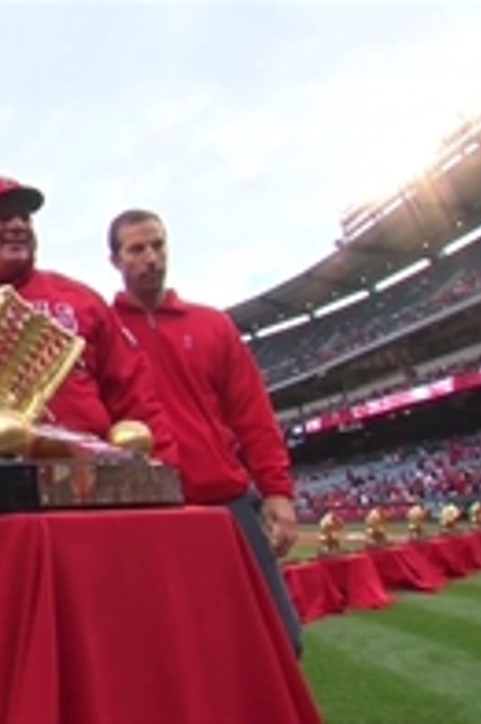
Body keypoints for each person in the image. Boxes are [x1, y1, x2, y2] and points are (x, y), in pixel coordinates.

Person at [107, 207, 303, 656]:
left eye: (158, 245)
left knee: (279, 641)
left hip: (226, 502)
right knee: (177, 649)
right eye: (137, 249)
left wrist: (277, 491)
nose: (151, 257)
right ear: (115, 260)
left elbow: (252, 415)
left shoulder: (212, 325)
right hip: (149, 509)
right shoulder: (103, 330)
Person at [0, 176, 179, 473]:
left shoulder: (81, 300)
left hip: (90, 484)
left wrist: (166, 473)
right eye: (2, 217)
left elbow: (134, 394)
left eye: (25, 218)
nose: (17, 225)